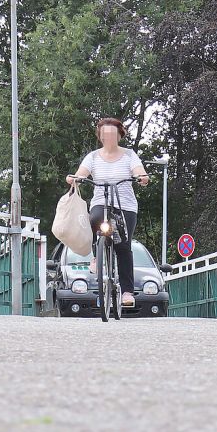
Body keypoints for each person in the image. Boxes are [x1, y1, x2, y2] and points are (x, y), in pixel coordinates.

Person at [66, 117, 150, 307]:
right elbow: (82, 172)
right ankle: (97, 254)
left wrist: (141, 177)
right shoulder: (93, 156)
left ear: (120, 135)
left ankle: (127, 292)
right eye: (105, 134)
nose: (109, 138)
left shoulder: (129, 155)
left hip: (125, 205)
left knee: (123, 245)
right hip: (101, 202)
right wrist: (75, 178)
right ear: (100, 136)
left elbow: (138, 170)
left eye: (113, 134)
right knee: (94, 218)